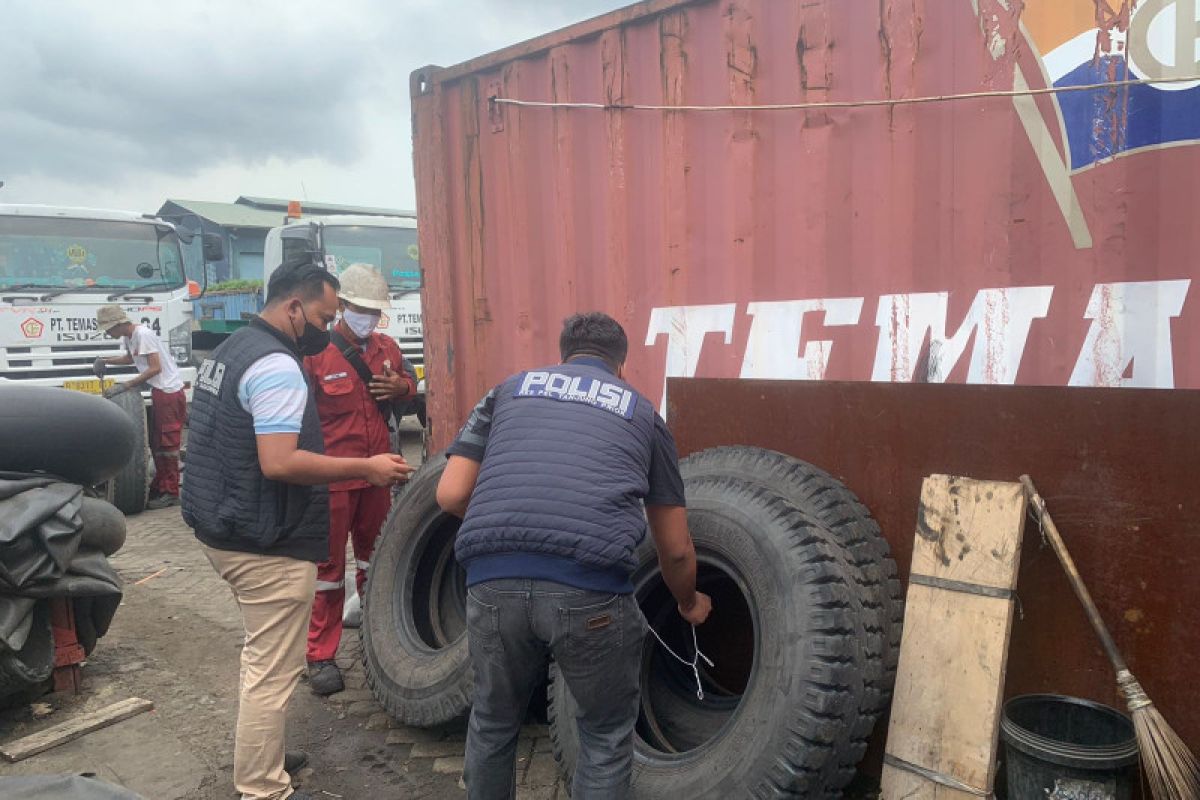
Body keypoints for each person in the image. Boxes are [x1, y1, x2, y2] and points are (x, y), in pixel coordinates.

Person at [436, 312, 713, 800]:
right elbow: (674, 548)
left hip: (491, 580)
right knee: (604, 733)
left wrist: (513, 539)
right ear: (622, 367)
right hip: (589, 591)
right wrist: (689, 603)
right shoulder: (643, 413)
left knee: (494, 720)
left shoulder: (507, 391)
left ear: (562, 355)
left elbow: (451, 494)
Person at [182, 257, 414, 800]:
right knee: (271, 668)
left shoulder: (230, 351)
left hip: (228, 526)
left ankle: (263, 752)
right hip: (267, 536)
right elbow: (280, 462)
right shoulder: (281, 364)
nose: (331, 323)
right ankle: (265, 786)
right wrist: (364, 467)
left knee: (261, 655)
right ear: (294, 307)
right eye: (327, 313)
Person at [302, 263, 415, 695]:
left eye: (375, 311)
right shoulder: (316, 353)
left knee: (376, 560)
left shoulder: (387, 348)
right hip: (332, 479)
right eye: (362, 308)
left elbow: (410, 383)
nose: (368, 317)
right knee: (328, 573)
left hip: (378, 477)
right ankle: (320, 656)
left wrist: (402, 388)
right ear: (344, 306)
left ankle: (377, 641)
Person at [93, 305, 187, 510]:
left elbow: (155, 368)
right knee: (156, 443)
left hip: (169, 392)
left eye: (109, 330)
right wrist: (105, 361)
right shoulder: (129, 337)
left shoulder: (142, 334)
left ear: (118, 324)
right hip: (159, 391)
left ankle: (171, 492)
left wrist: (126, 385)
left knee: (167, 444)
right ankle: (161, 485)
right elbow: (131, 358)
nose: (109, 334)